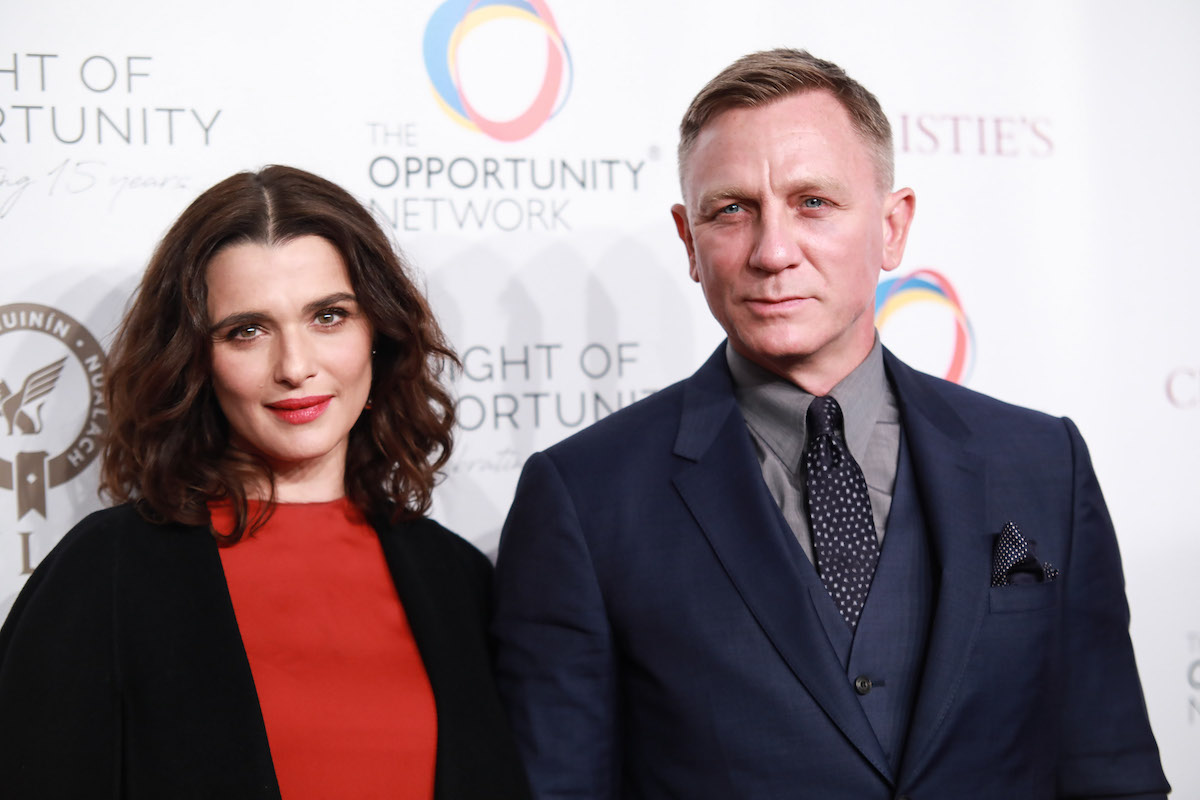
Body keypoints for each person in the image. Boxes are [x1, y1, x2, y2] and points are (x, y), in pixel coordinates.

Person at [492, 50, 1169, 798]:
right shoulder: (584, 497)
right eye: (732, 209)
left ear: (892, 227)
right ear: (688, 240)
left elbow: (1112, 771)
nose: (773, 252)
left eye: (813, 202)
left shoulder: (1043, 462)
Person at [0, 165, 530, 799]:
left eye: (329, 316)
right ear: (195, 359)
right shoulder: (106, 573)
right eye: (246, 330)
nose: (295, 366)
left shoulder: (456, 578)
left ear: (378, 335)